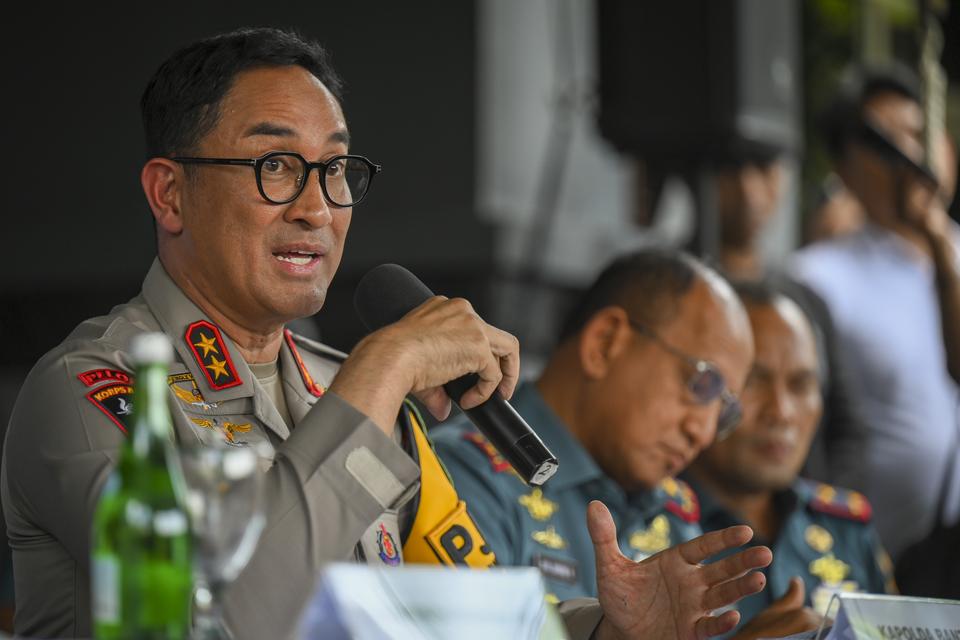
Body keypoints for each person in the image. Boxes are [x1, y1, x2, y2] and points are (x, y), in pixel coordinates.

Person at [1, 27, 773, 640]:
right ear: (170, 194)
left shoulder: (350, 387)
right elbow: (237, 619)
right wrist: (388, 364)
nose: (316, 208)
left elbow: (443, 615)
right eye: (276, 165)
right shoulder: (89, 391)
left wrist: (602, 629)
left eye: (335, 169)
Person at [434, 249, 817, 639]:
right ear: (606, 342)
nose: (702, 432)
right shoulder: (461, 475)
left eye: (724, 410)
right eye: (701, 384)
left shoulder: (671, 511)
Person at [792, 65, 960, 561]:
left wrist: (937, 239)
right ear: (844, 171)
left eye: (918, 134)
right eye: (885, 142)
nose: (911, 157)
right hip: (882, 559)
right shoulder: (819, 277)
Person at [683, 282, 896, 632]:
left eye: (801, 385)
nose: (781, 412)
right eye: (754, 381)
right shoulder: (646, 523)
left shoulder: (846, 529)